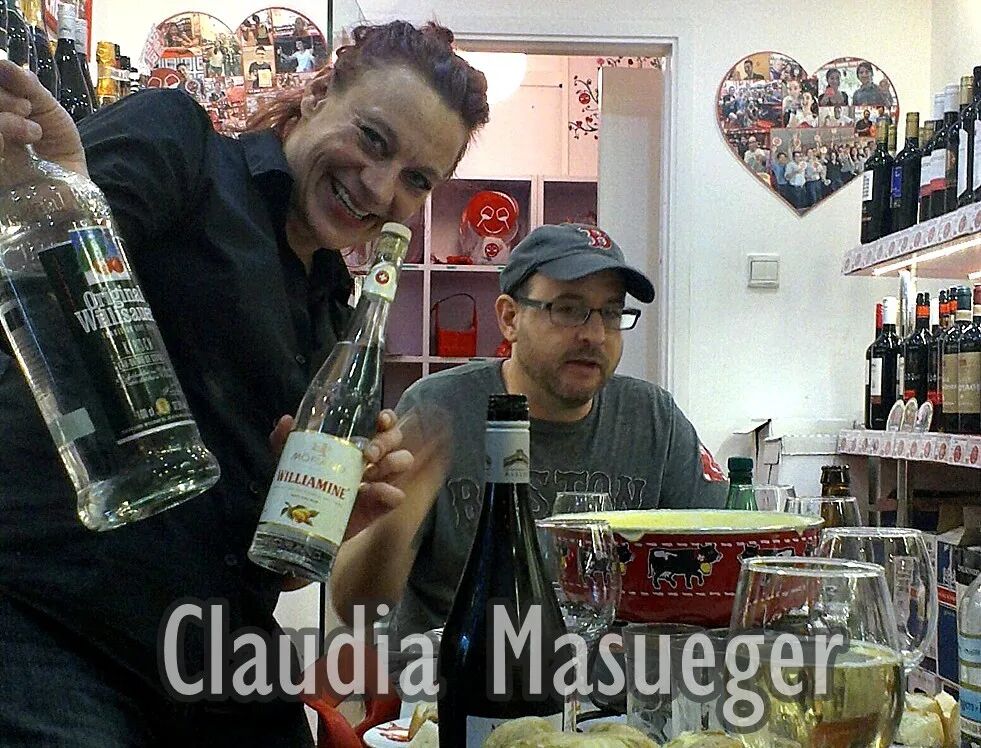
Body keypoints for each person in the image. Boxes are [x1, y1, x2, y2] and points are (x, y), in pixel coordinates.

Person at [0, 20, 489, 748]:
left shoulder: (336, 319)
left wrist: (319, 519)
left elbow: (269, 565)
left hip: (217, 664)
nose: (380, 187)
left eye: (418, 179)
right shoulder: (183, 145)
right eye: (373, 140)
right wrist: (57, 194)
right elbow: (40, 284)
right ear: (318, 93)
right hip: (55, 624)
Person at [329, 223, 730, 637]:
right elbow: (356, 608)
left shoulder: (655, 420)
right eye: (568, 309)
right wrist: (396, 527)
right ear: (510, 318)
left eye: (611, 313)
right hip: (460, 670)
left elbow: (723, 565)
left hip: (610, 676)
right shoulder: (438, 409)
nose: (594, 335)